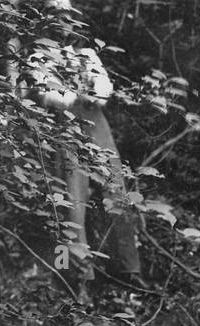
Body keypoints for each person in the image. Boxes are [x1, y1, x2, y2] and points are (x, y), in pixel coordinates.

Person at [22, 0, 142, 290]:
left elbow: (104, 86)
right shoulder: (37, 58)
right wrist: (74, 94)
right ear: (46, 22)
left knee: (116, 190)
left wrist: (94, 92)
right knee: (72, 203)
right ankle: (78, 277)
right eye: (56, 19)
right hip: (65, 130)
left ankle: (128, 269)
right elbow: (45, 94)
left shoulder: (87, 54)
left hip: (97, 126)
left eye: (66, 19)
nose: (62, 26)